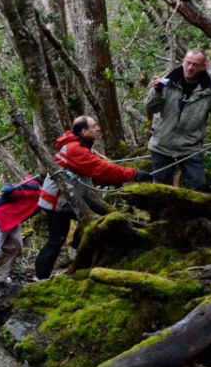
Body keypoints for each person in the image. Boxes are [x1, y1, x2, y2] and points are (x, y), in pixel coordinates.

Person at [35, 117, 151, 280]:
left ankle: (88, 253)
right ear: (83, 131)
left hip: (75, 197)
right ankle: (41, 278)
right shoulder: (75, 149)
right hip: (57, 202)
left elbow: (95, 175)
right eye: (94, 126)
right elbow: (101, 169)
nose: (98, 128)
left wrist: (119, 179)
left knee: (103, 218)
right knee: (56, 240)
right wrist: (134, 174)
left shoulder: (81, 147)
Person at [145, 49, 211, 191]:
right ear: (183, 62)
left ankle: (197, 213)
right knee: (160, 190)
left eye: (195, 64)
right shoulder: (166, 82)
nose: (190, 67)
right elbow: (150, 107)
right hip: (161, 145)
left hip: (190, 147)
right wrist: (156, 92)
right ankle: (163, 214)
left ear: (203, 66)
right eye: (188, 63)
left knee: (198, 187)